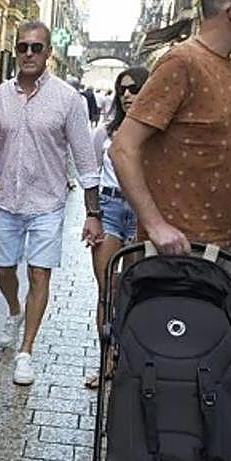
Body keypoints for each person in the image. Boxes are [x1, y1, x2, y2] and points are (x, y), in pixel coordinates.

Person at [111, 0, 231, 257]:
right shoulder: (182, 62)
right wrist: (156, 225)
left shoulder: (224, 63)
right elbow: (123, 147)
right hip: (181, 255)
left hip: (219, 248)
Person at [0, 21, 100, 386]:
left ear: (48, 52)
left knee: (39, 274)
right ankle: (14, 310)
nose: (29, 54)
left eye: (36, 47)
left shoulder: (68, 99)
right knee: (4, 269)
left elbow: (85, 159)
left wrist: (93, 212)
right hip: (8, 201)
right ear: (15, 51)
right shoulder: (2, 95)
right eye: (23, 47)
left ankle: (26, 352)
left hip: (48, 203)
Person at [84, 66, 149, 389]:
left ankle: (130, 362)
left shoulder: (157, 133)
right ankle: (107, 360)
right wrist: (91, 214)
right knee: (107, 290)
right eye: (122, 89)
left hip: (140, 212)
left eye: (135, 88)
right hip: (109, 208)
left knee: (135, 290)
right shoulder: (105, 133)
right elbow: (91, 175)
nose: (127, 94)